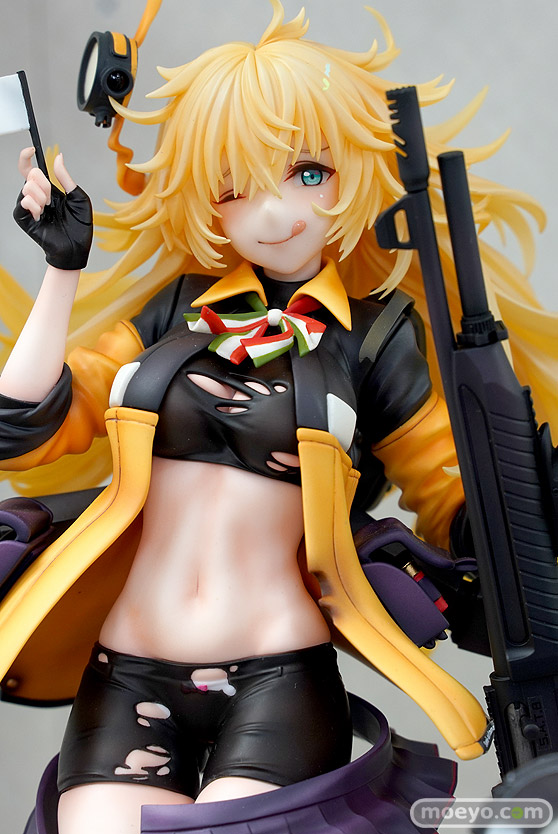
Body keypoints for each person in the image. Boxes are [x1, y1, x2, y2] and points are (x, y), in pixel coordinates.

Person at [0, 2, 553, 832]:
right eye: (235, 187)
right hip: (129, 671)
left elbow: (453, 502)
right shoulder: (173, 313)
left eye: (308, 173)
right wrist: (61, 271)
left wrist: (529, 512)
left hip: (277, 675)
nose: (273, 212)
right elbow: (26, 424)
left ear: (352, 169)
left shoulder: (377, 339)